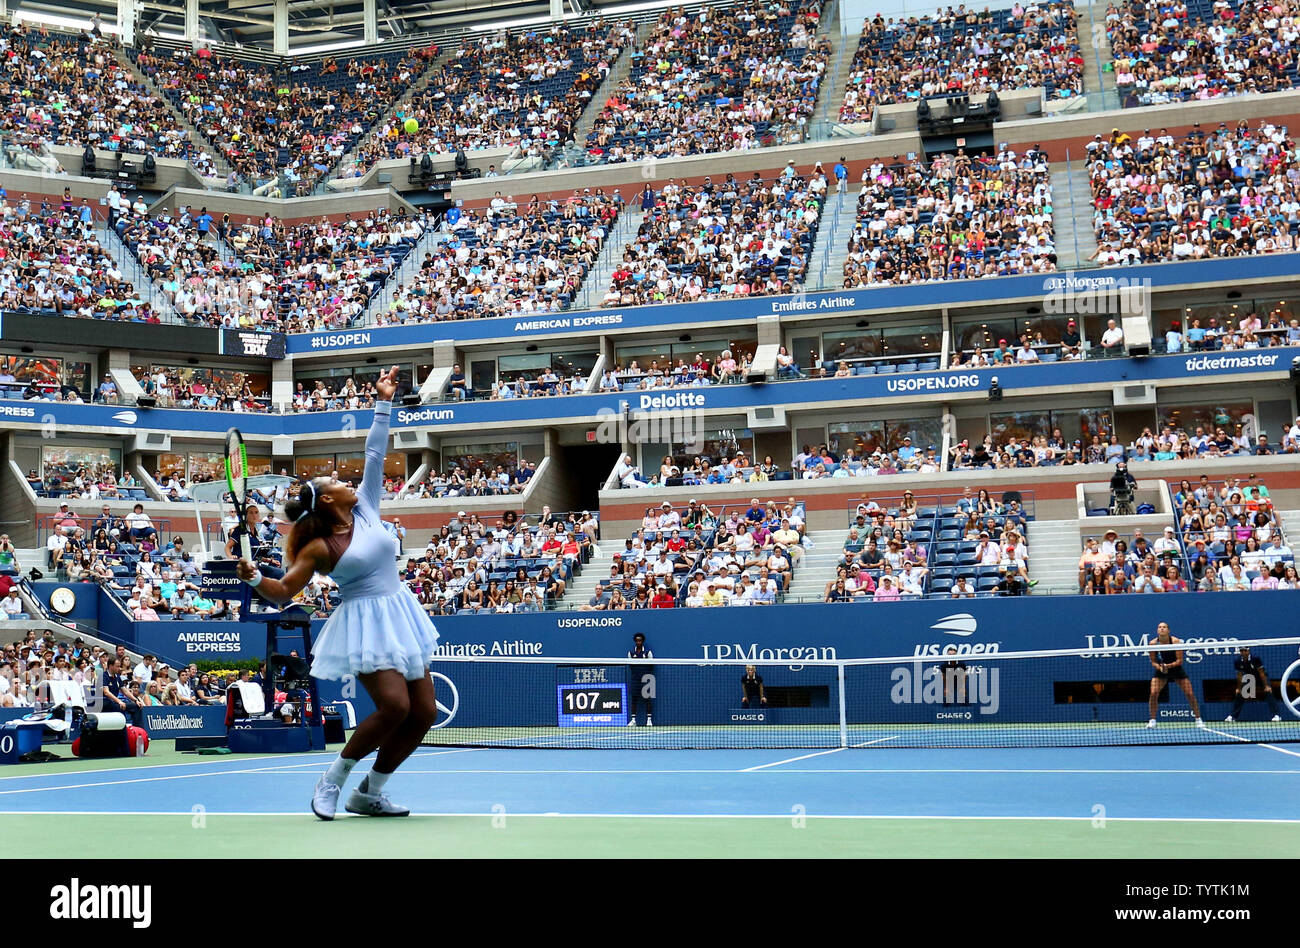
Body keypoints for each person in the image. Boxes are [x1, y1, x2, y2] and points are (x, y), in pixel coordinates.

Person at [237, 367, 439, 820]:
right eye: (334, 482)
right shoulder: (316, 547)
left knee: (423, 712)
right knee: (394, 707)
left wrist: (384, 402)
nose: (344, 480)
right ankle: (332, 779)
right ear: (327, 501)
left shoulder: (366, 506)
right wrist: (253, 578)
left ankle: (370, 792)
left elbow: (373, 451)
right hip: (364, 622)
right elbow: (283, 591)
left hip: (400, 613)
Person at [1146, 622, 1204, 729]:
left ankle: (1198, 719)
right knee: (1153, 693)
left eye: (1164, 627)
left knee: (1189, 693)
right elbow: (1153, 661)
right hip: (1161, 670)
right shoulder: (1153, 643)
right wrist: (1160, 668)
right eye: (1160, 627)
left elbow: (1179, 661)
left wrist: (1167, 666)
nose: (1162, 629)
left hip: (1176, 669)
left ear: (1168, 630)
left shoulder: (1175, 641)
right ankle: (1152, 720)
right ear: (1157, 630)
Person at [1225, 646, 1283, 723]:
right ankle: (1233, 716)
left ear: (1248, 651)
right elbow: (1239, 675)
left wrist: (1266, 686)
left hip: (1261, 678)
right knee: (1240, 694)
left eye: (1245, 651)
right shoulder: (1238, 661)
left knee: (1268, 693)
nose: (1243, 653)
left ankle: (1277, 715)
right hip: (1250, 679)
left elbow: (1261, 673)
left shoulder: (1255, 658)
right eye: (1241, 651)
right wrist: (1239, 688)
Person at [626, 632, 653, 727]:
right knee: (634, 699)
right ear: (635, 641)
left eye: (640, 640)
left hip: (647, 678)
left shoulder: (648, 652)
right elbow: (630, 666)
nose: (638, 642)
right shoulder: (631, 653)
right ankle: (633, 720)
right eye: (637, 640)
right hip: (635, 678)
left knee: (647, 699)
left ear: (642, 641)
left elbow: (651, 665)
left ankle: (649, 720)